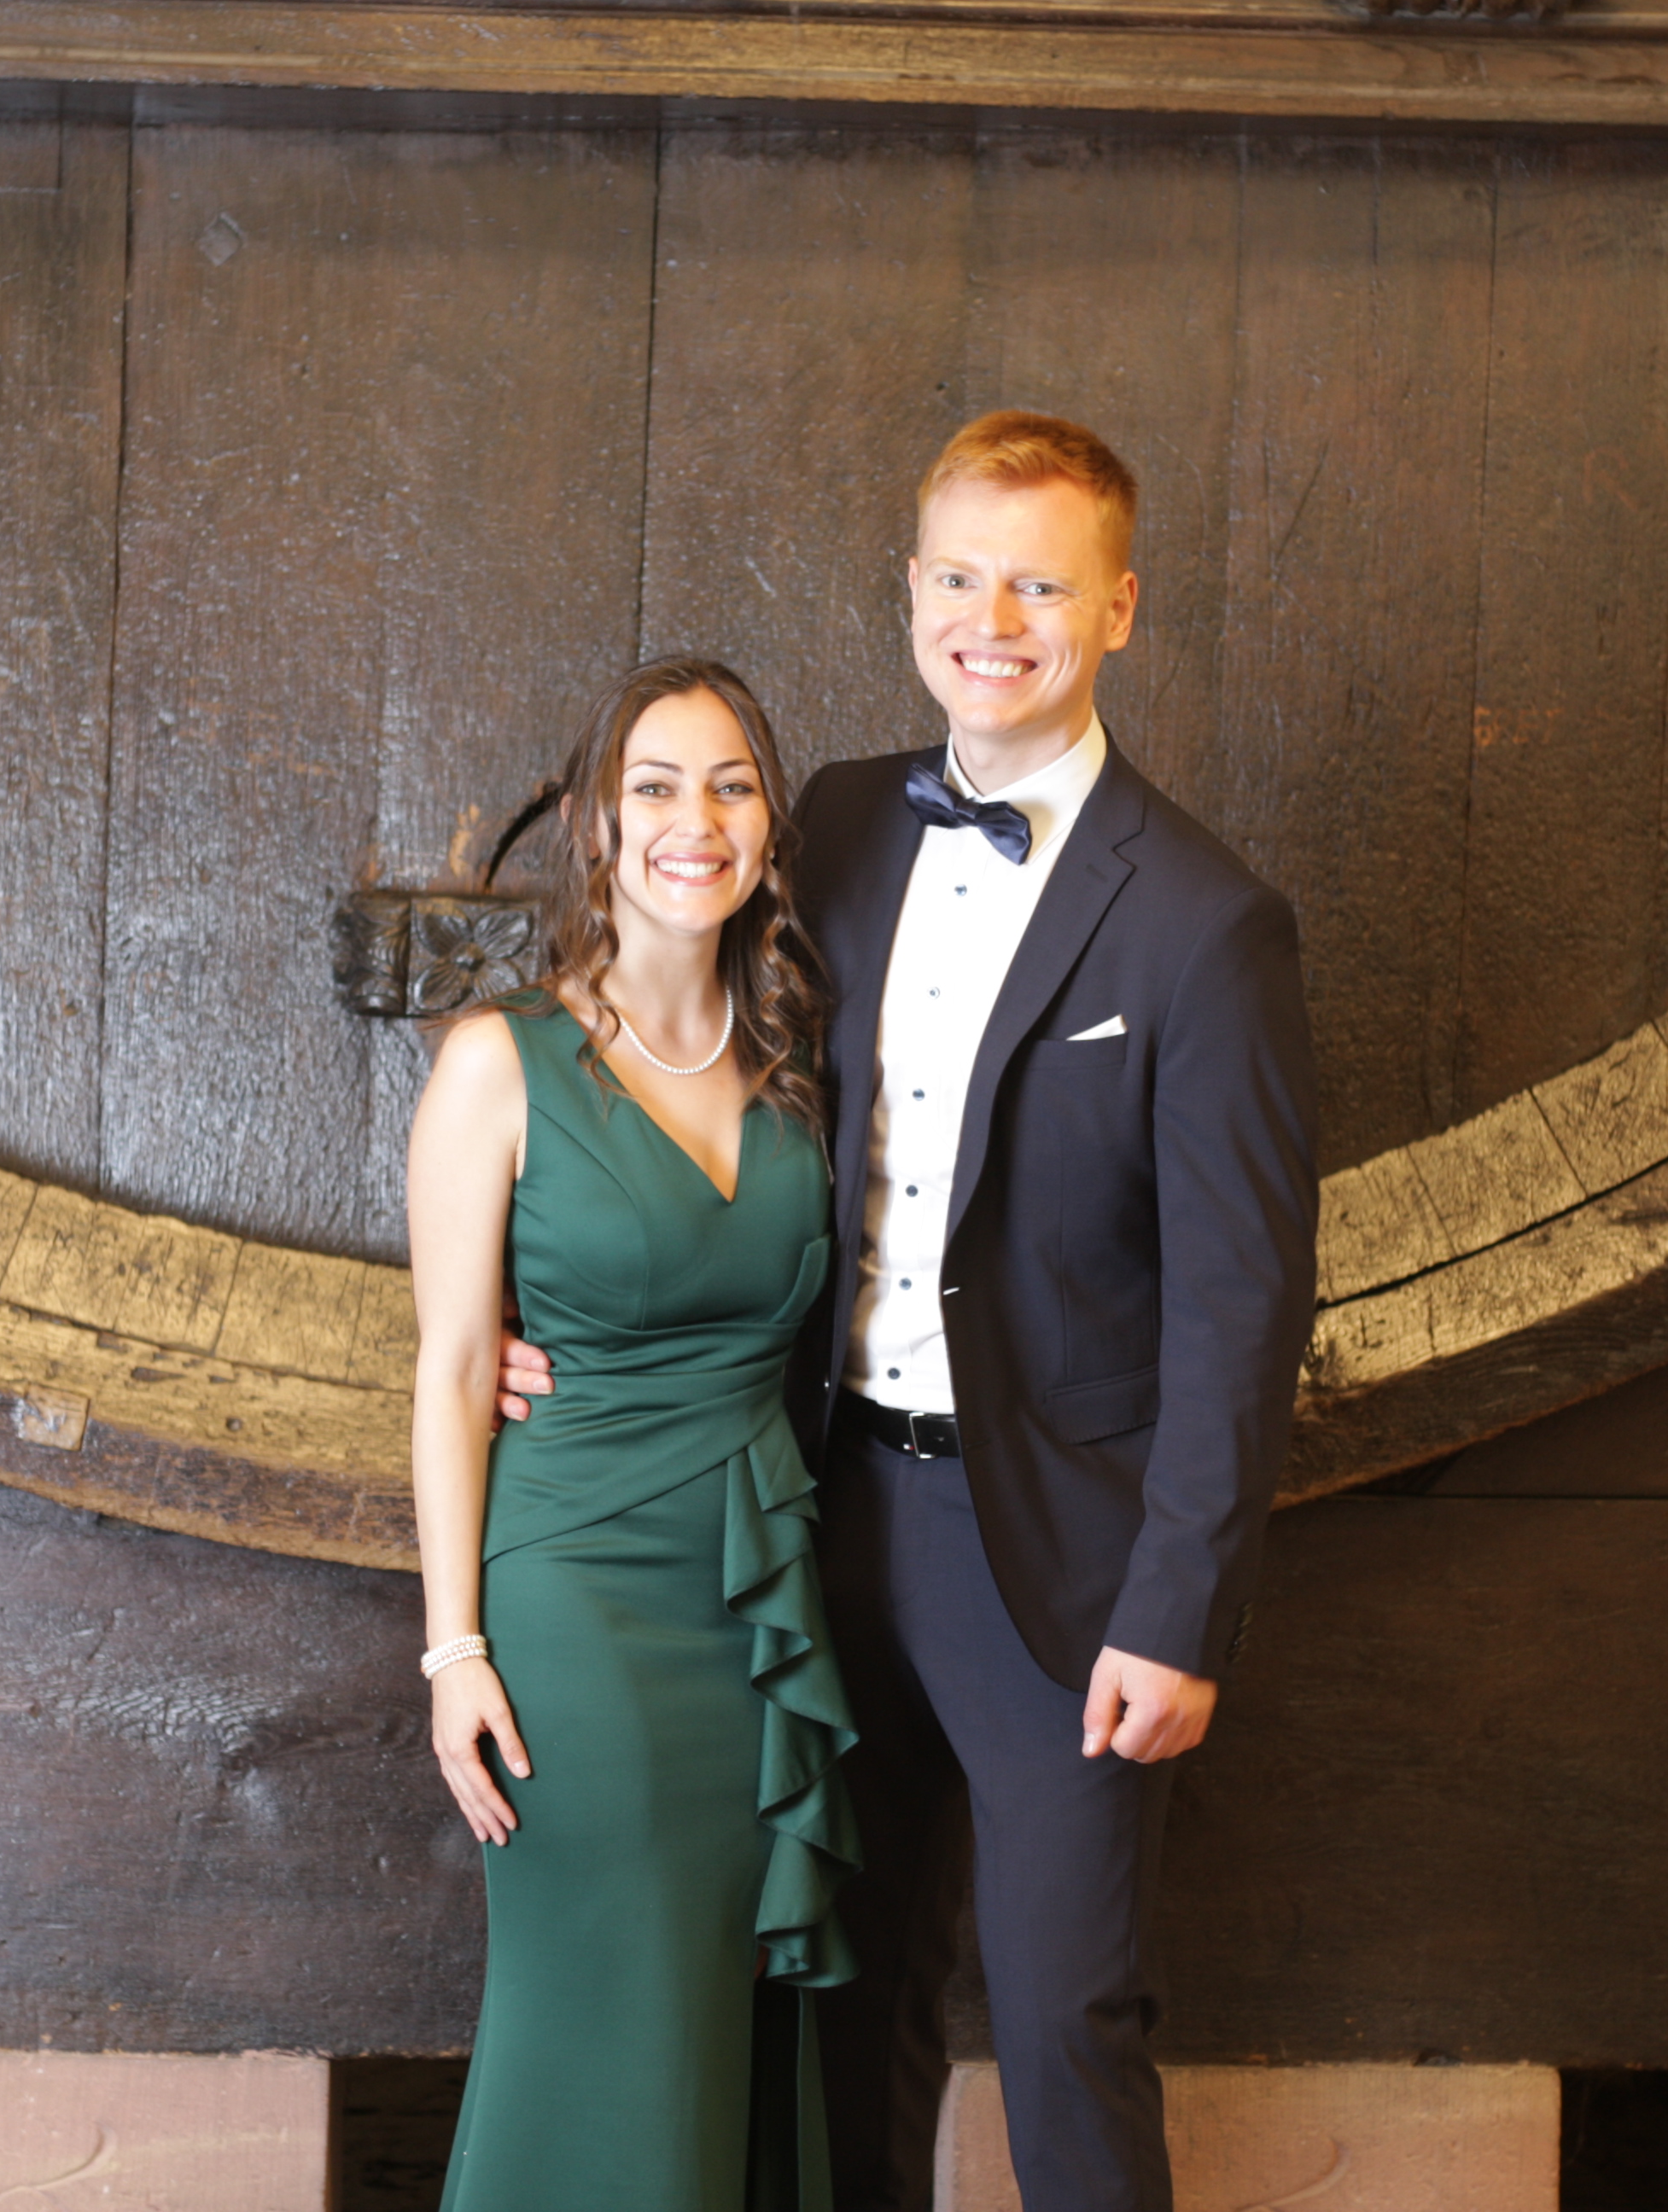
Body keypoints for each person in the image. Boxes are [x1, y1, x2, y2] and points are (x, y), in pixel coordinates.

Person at [509, 414, 1321, 2212]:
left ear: (1121, 608)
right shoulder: (841, 821)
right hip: (812, 1517)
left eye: (1041, 585)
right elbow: (658, 1053)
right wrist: (525, 1297)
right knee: (832, 2000)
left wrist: (1180, 1611)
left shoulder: (1209, 926)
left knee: (1064, 2019)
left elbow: (1246, 1305)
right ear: (911, 594)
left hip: (1064, 1569)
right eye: (961, 577)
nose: (993, 621)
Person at [407, 656, 860, 2212]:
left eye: (731, 787)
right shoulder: (499, 1061)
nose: (696, 822)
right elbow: (454, 1370)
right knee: (602, 2012)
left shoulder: (801, 1065)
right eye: (656, 787)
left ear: (768, 827)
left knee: (714, 2016)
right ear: (598, 825)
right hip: (574, 1598)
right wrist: (453, 1651)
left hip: (754, 1600)